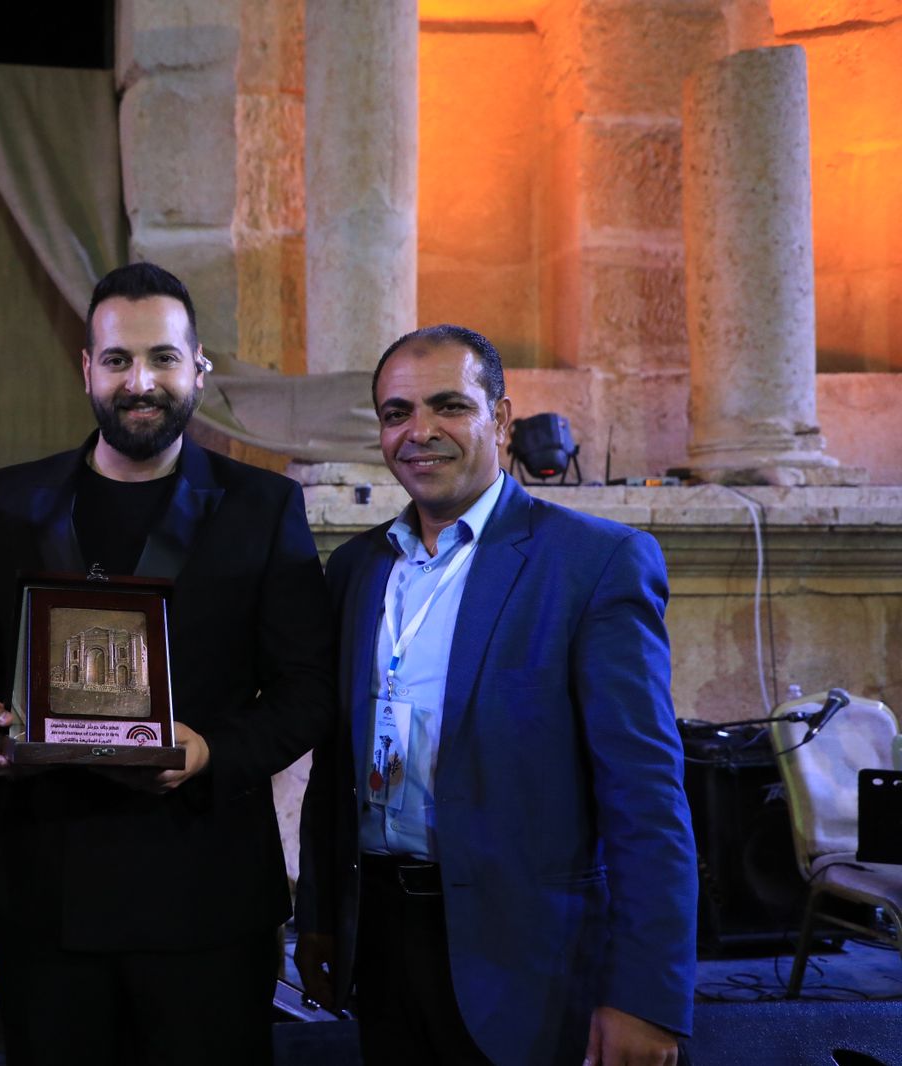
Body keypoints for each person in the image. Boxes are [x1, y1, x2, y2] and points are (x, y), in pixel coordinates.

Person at [0, 262, 334, 1065]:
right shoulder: (8, 500)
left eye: (162, 358)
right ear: (87, 369)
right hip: (43, 892)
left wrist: (212, 750)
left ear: (199, 369)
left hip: (206, 895)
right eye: (118, 360)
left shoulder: (263, 507)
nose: (140, 381)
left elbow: (307, 691)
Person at [294, 325, 696, 1066]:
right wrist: (319, 917)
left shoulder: (592, 562)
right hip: (381, 939)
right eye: (396, 413)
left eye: (449, 406)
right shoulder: (355, 569)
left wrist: (647, 993)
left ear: (502, 420)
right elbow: (334, 769)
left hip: (530, 959)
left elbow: (646, 796)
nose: (420, 432)